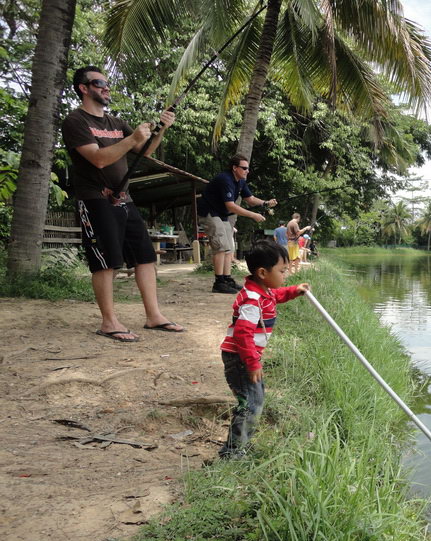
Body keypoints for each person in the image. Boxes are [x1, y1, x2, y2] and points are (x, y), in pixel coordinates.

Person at [62, 65, 185, 342]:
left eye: (107, 83)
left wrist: (161, 129)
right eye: (99, 83)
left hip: (124, 199)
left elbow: (144, 151)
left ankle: (154, 316)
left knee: (145, 256)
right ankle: (108, 322)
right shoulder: (76, 121)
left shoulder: (115, 123)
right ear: (84, 88)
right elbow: (99, 159)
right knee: (106, 261)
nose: (106, 87)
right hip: (95, 199)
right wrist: (132, 139)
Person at [218, 240, 309, 458]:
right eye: (282, 271)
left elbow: (278, 295)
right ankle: (233, 452)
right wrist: (252, 362)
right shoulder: (252, 300)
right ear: (262, 272)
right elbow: (242, 333)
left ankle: (242, 443)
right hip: (240, 358)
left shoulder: (263, 291)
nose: (285, 275)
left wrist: (295, 291)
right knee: (250, 403)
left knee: (254, 399)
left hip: (245, 357)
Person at [198, 154, 278, 294]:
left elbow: (251, 199)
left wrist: (265, 203)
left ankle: (227, 279)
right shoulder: (225, 179)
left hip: (222, 215)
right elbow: (231, 206)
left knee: (229, 248)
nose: (247, 171)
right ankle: (219, 282)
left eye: (248, 168)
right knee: (221, 247)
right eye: (244, 168)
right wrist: (253, 215)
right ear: (235, 168)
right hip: (210, 213)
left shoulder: (241, 181)